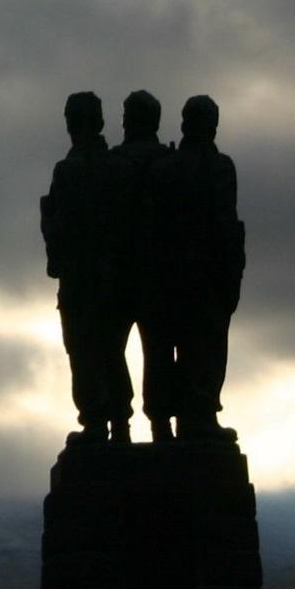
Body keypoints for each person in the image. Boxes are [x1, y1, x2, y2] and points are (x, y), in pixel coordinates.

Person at [149, 94, 245, 442]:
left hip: (172, 273)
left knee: (180, 350)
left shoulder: (164, 168)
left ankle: (186, 417)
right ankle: (198, 417)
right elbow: (225, 223)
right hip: (204, 273)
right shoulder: (220, 167)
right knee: (204, 347)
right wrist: (231, 271)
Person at [42, 91, 132, 444]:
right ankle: (117, 423)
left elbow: (59, 226)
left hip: (84, 278)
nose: (70, 127)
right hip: (114, 277)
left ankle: (97, 422)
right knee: (110, 351)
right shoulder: (120, 168)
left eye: (73, 119)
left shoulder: (69, 171)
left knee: (86, 350)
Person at [113, 90, 176, 442]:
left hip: (121, 273)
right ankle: (161, 423)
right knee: (159, 351)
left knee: (111, 350)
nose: (123, 121)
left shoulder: (113, 162)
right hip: (158, 274)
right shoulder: (170, 163)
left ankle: (119, 424)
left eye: (128, 115)